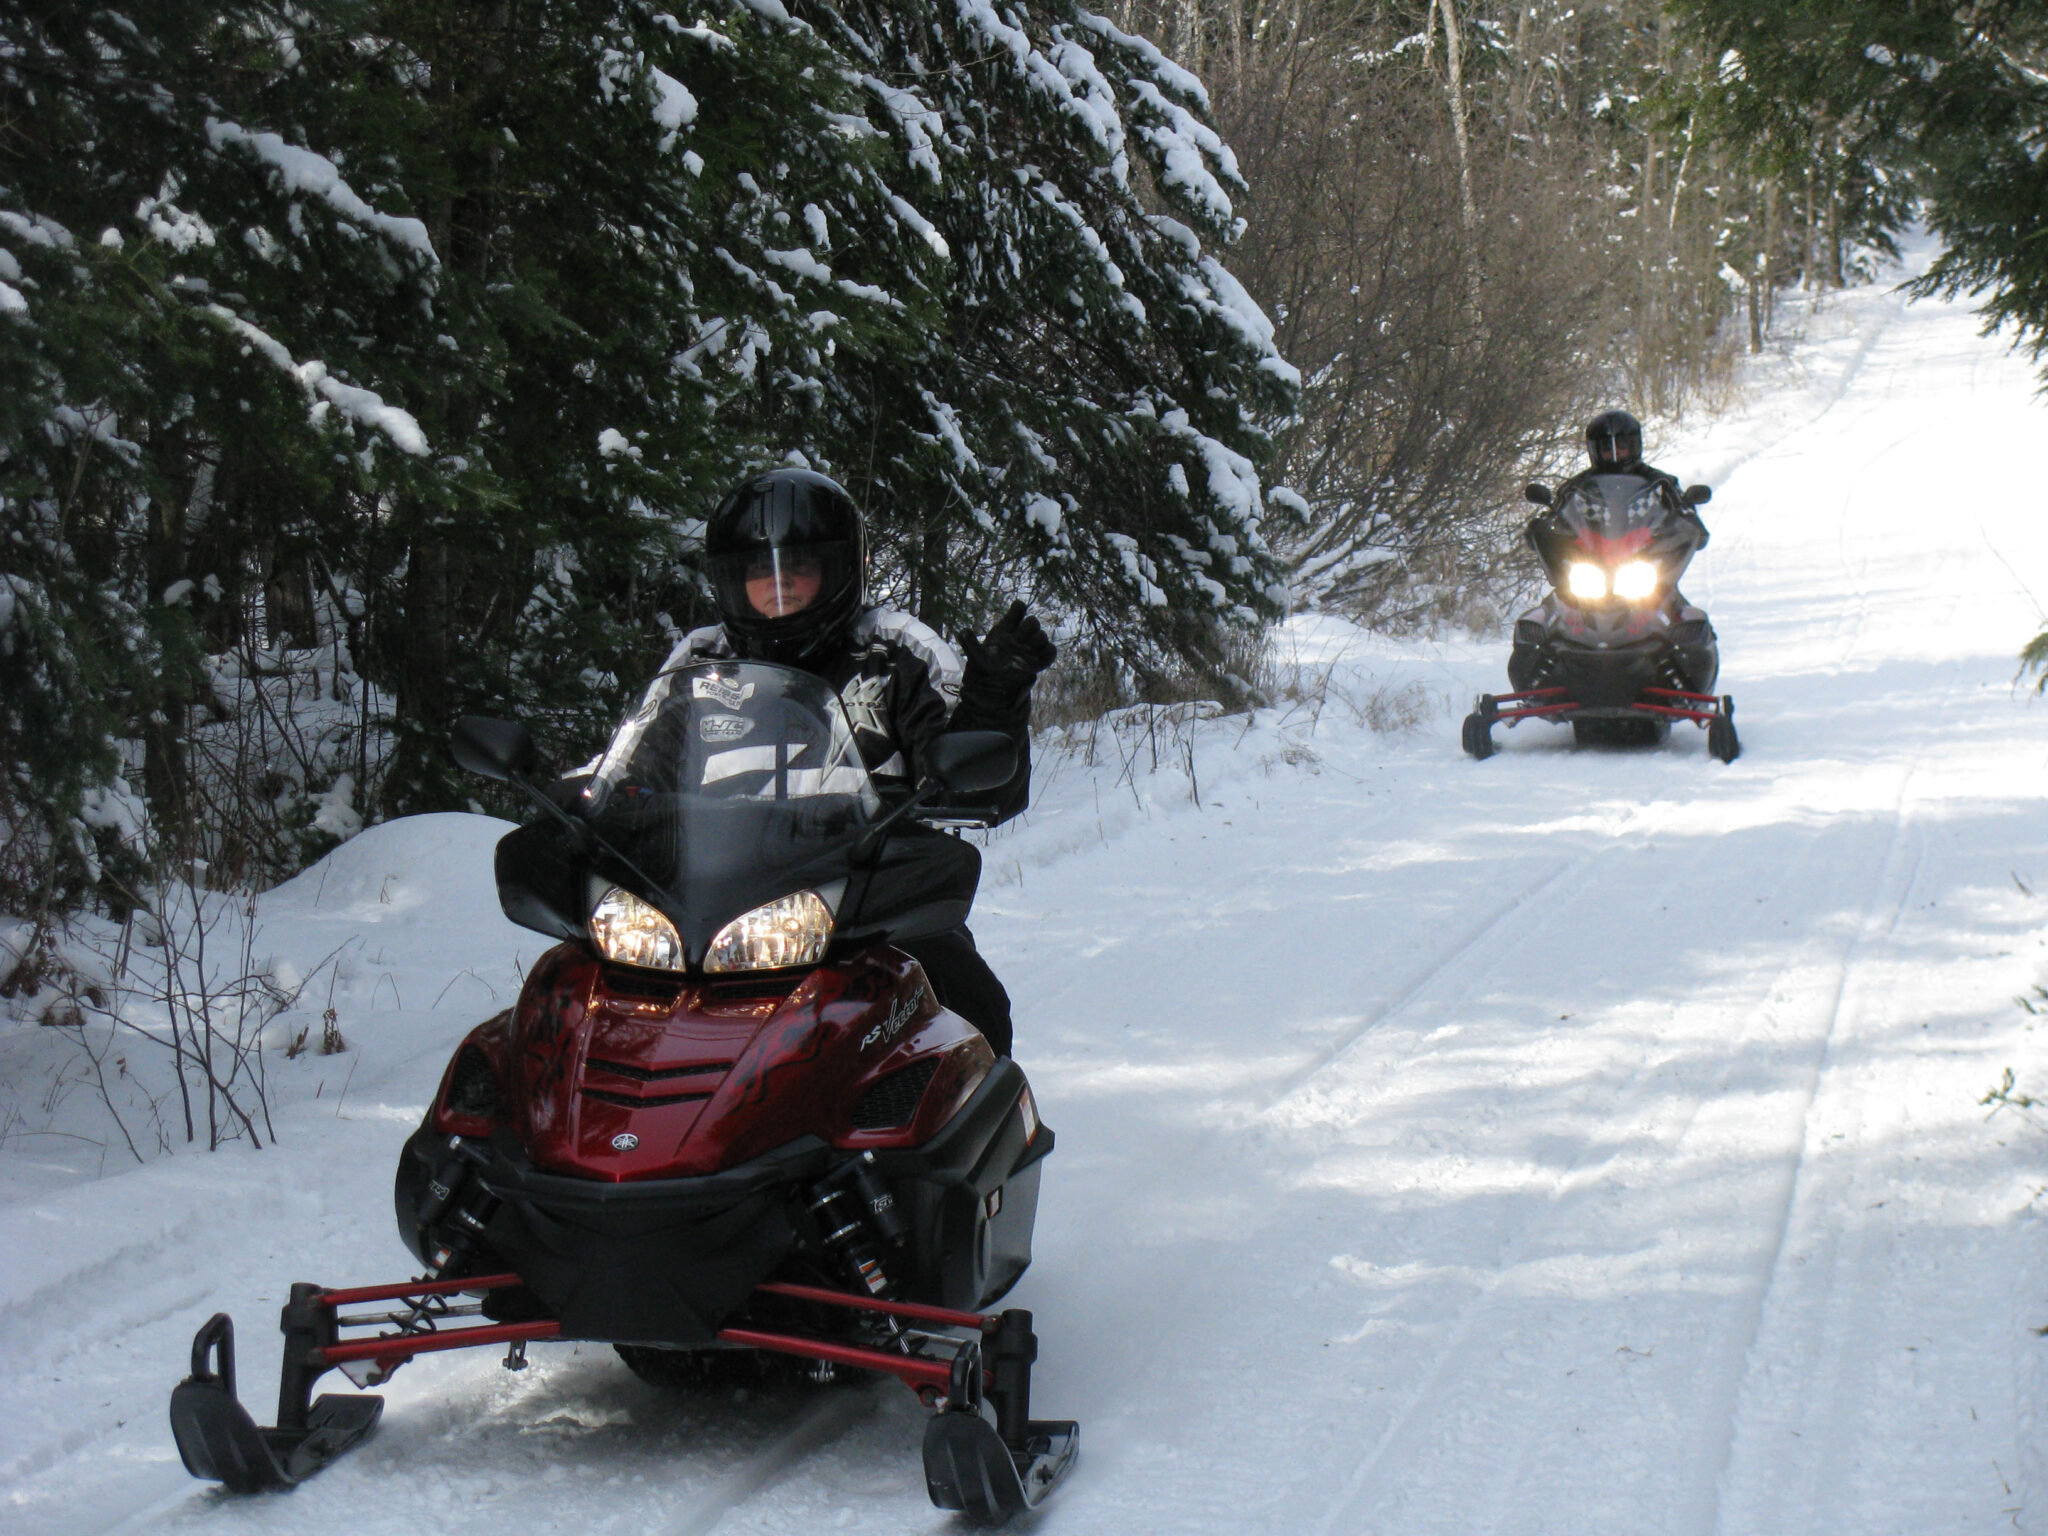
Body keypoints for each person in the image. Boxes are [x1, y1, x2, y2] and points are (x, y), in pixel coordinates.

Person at [667, 466, 1053, 1055]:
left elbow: (979, 787)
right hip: (713, 909)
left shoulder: (896, 650)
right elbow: (640, 765)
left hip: (873, 905)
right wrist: (585, 799)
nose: (780, 585)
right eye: (758, 572)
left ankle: (965, 1138)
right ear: (730, 581)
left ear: (838, 569)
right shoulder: (700, 661)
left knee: (970, 1005)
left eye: (799, 567)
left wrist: (995, 698)